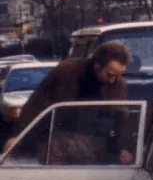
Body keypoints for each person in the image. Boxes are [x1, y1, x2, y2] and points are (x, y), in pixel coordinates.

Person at [2, 41, 134, 164]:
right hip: (54, 143)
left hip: (93, 147)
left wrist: (124, 148)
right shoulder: (66, 71)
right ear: (97, 65)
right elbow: (36, 103)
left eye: (118, 76)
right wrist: (17, 136)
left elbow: (121, 119)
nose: (113, 80)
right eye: (110, 74)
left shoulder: (119, 85)